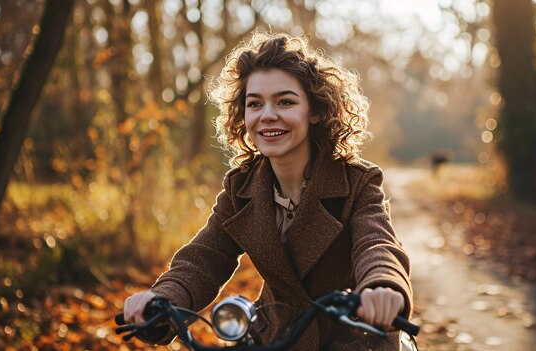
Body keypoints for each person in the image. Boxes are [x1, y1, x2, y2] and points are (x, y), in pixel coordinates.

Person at [122, 31, 414, 350]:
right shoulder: (241, 188)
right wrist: (161, 298)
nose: (267, 115)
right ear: (242, 114)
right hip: (276, 337)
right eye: (255, 103)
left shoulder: (356, 182)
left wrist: (383, 286)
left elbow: (377, 243)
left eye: (285, 101)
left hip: (354, 337)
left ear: (315, 111)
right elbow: (205, 257)